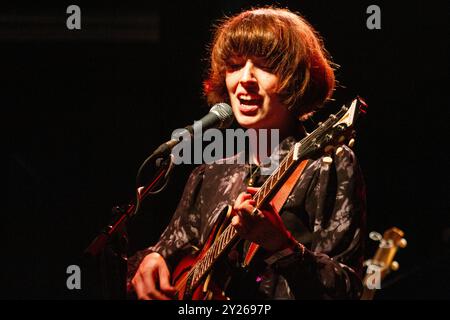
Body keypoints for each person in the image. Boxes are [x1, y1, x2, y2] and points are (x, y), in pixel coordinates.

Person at [127, 6, 366, 300]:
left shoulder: (327, 164)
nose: (245, 79)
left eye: (265, 66)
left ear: (297, 78)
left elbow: (350, 291)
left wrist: (283, 248)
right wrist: (150, 260)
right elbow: (163, 252)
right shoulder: (210, 173)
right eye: (235, 65)